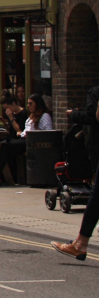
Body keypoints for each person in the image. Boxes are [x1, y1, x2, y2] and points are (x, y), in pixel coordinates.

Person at [53, 85, 99, 261]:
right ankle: (81, 243)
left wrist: (73, 115)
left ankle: (80, 244)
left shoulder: (95, 92)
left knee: (97, 196)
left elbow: (94, 116)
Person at [0, 93, 52, 186]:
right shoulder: (32, 115)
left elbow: (48, 133)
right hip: (23, 138)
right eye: (28, 103)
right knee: (1, 145)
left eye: (31, 103)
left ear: (37, 104)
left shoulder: (44, 116)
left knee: (6, 146)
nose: (28, 106)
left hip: (32, 142)